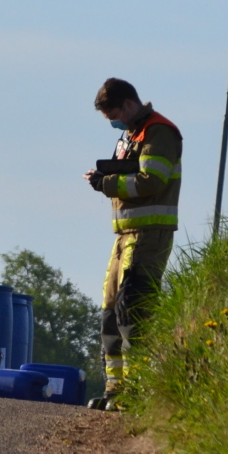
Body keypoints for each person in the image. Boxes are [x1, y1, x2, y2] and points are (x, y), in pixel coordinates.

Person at [84, 79, 182, 410]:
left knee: (134, 312)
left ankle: (136, 392)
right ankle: (116, 390)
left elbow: (151, 181)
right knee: (110, 313)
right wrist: (104, 179)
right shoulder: (132, 135)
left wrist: (107, 184)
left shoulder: (159, 132)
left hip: (149, 235)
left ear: (128, 105)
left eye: (114, 116)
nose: (114, 123)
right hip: (125, 236)